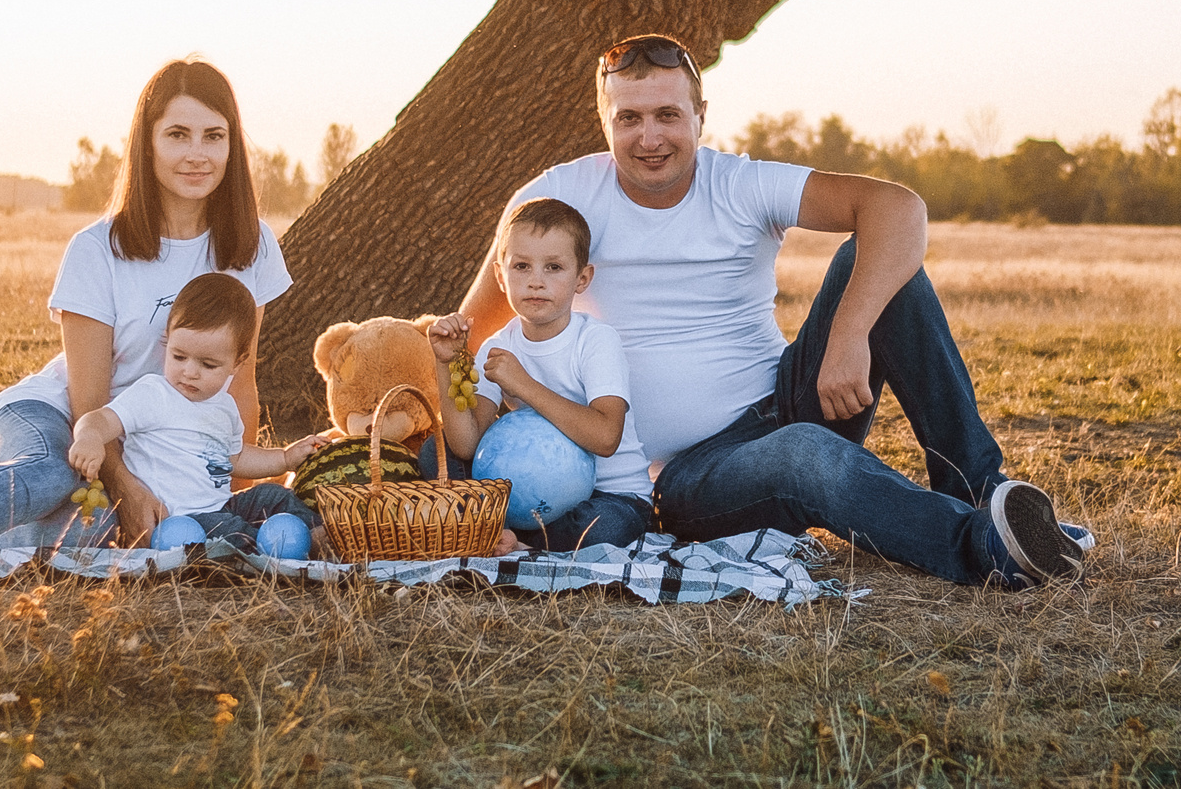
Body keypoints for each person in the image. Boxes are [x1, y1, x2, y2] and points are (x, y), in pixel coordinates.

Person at [436, 33, 1086, 588]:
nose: (649, 136)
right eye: (628, 117)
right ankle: (987, 549)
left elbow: (899, 209)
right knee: (804, 454)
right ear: (604, 117)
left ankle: (985, 492)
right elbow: (466, 334)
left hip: (787, 399)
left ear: (701, 114)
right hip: (690, 476)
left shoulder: (739, 183)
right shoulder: (557, 196)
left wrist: (850, 332)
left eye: (667, 113)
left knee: (887, 267)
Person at [0, 58, 291, 590]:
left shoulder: (251, 248)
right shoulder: (96, 250)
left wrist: (230, 504)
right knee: (56, 475)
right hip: (60, 418)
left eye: (213, 136)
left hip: (146, 446)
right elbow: (89, 402)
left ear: (232, 145)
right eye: (177, 134)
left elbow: (238, 386)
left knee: (94, 538)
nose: (197, 154)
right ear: (147, 142)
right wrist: (127, 486)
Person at [427, 198, 654, 554]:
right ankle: (505, 532)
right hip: (531, 498)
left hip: (610, 496)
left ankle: (503, 537)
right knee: (434, 454)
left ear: (582, 278)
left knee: (603, 529)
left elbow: (606, 437)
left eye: (553, 267)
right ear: (501, 277)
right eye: (521, 266)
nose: (536, 282)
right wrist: (444, 363)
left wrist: (524, 386)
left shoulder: (595, 341)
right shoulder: (496, 347)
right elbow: (467, 445)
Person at [69, 273, 327, 546]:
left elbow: (235, 459)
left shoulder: (224, 406)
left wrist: (284, 459)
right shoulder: (153, 394)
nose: (189, 372)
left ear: (236, 364)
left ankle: (321, 536)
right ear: (167, 342)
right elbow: (99, 419)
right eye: (179, 357)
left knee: (273, 496)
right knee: (230, 531)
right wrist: (89, 437)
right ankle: (267, 552)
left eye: (208, 365)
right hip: (180, 520)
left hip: (221, 506)